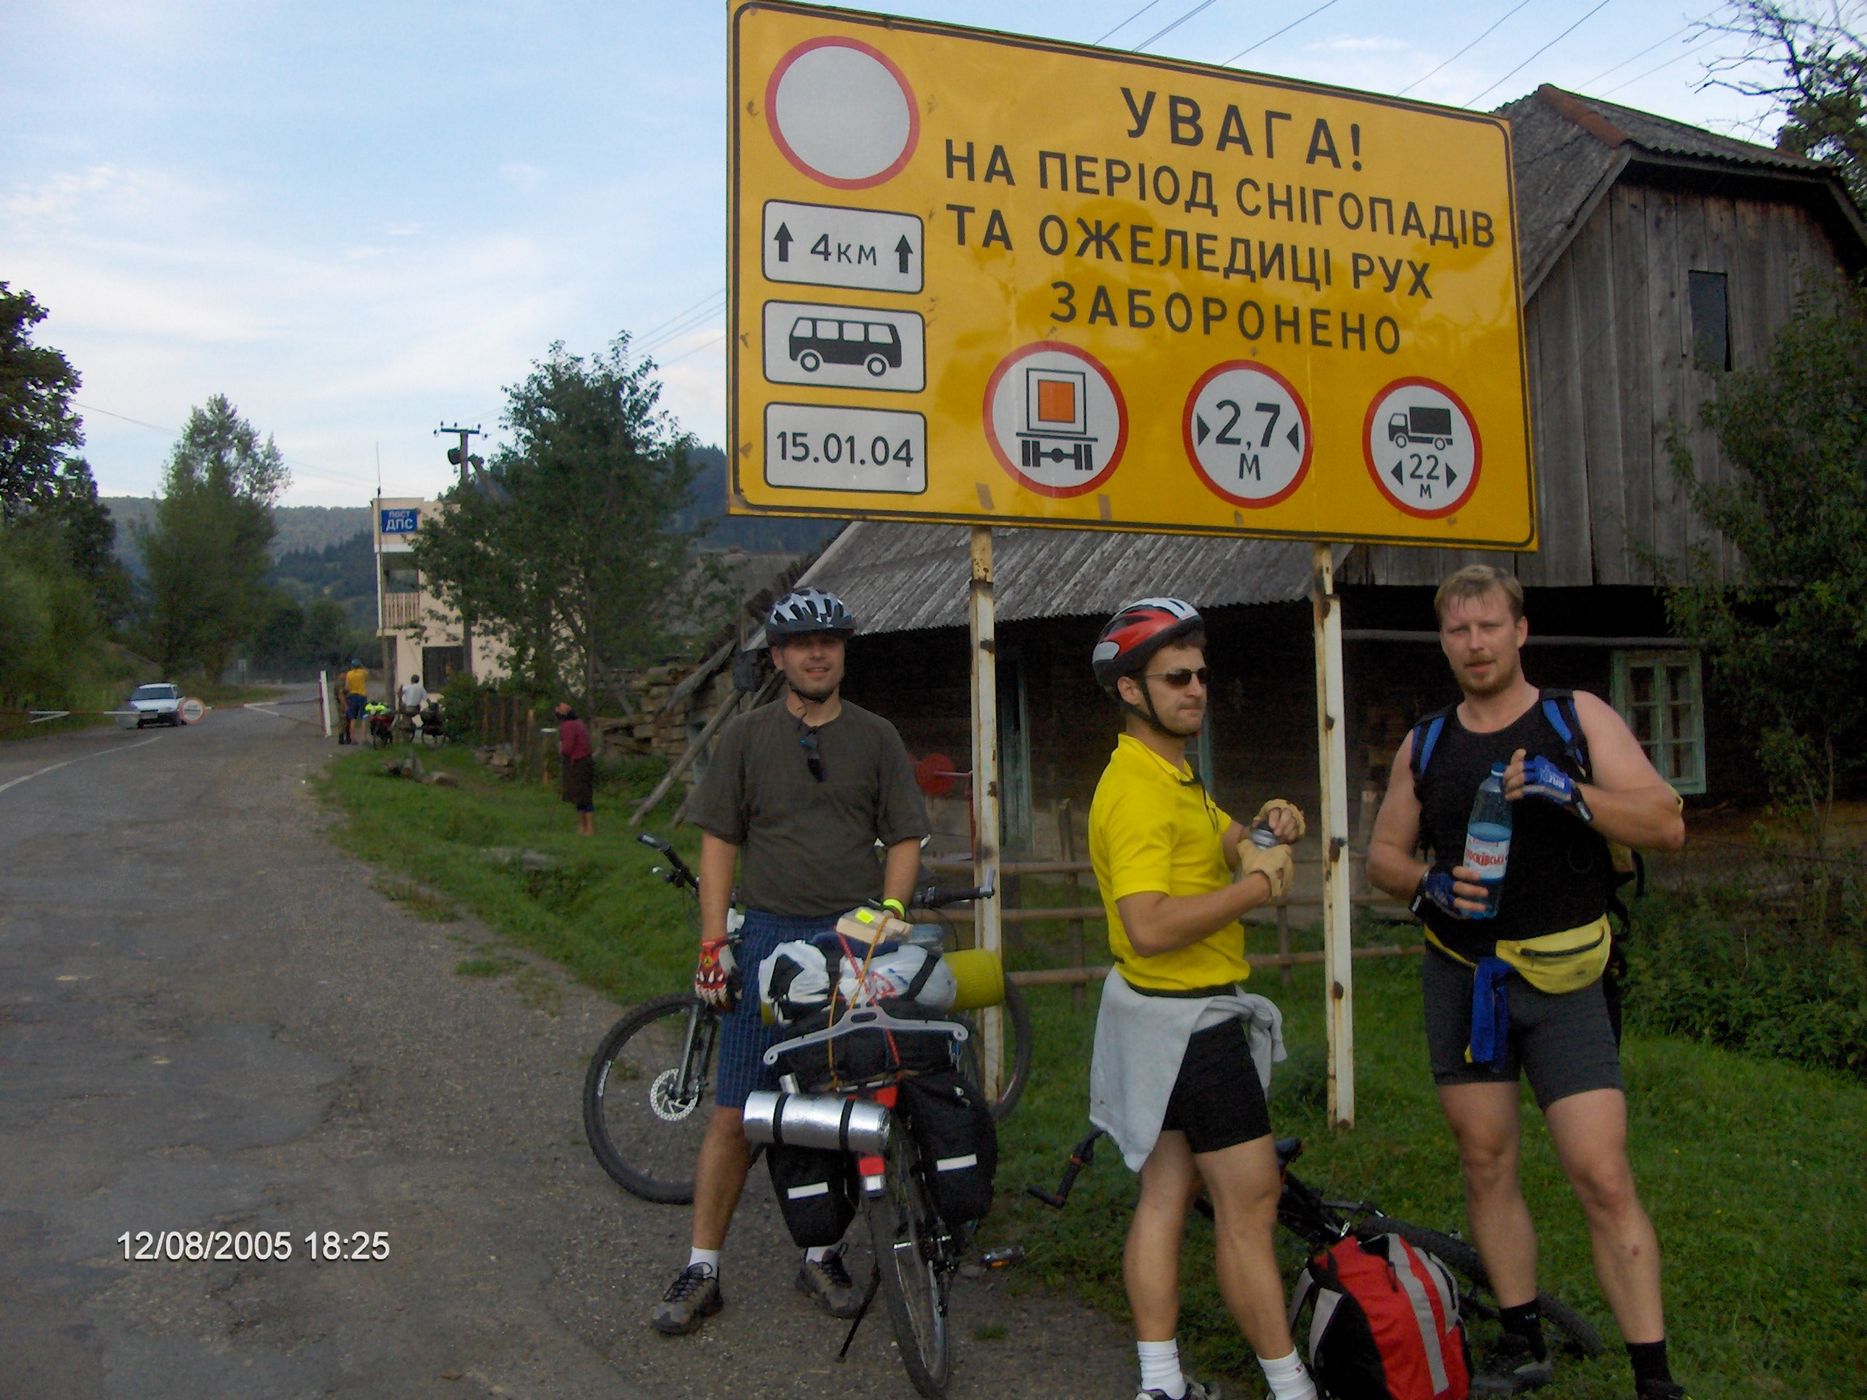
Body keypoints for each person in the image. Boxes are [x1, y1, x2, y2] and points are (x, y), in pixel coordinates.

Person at [1365, 565, 1688, 1400]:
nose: (1474, 644)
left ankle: (1653, 1376)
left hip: (1563, 978)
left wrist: (1569, 792)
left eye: (1488, 627)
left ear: (1519, 631)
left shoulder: (1573, 718)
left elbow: (1665, 823)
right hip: (1463, 978)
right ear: (1443, 642)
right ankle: (1520, 1340)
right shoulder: (1426, 743)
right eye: (1458, 630)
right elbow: (1382, 857)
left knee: (1601, 1174)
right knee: (1484, 1160)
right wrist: (1425, 885)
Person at [650, 586, 929, 1336]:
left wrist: (890, 913)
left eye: (829, 642)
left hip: (850, 943)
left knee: (839, 1110)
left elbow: (905, 836)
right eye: (802, 645)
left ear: (842, 653)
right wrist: (714, 941)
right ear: (777, 658)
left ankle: (821, 1254)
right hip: (768, 937)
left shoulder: (876, 738)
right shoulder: (746, 738)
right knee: (735, 1113)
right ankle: (702, 1268)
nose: (817, 654)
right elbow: (719, 841)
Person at [1084, 597, 1318, 1400]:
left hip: (1154, 1018)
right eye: (1175, 678)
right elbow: (1147, 925)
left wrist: (1267, 828)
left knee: (1163, 1194)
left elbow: (1227, 841)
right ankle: (1290, 1388)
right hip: (1193, 1024)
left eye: (1200, 675)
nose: (1196, 690)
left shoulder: (1168, 774)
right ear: (1129, 689)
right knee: (1249, 1206)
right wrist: (1255, 888)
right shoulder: (1139, 793)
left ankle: (1160, 1383)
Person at [555, 701, 594, 837]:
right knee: (579, 795)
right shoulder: (579, 723)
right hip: (584, 761)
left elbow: (567, 747)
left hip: (578, 763)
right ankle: (582, 826)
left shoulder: (568, 726)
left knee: (583, 795)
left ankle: (589, 828)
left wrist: (560, 748)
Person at [339, 659, 368, 744]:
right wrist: (362, 665)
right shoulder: (362, 673)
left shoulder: (349, 674)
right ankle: (364, 738)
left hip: (352, 696)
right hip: (362, 695)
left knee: (352, 718)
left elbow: (347, 687)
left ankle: (353, 739)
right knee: (363, 717)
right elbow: (367, 673)